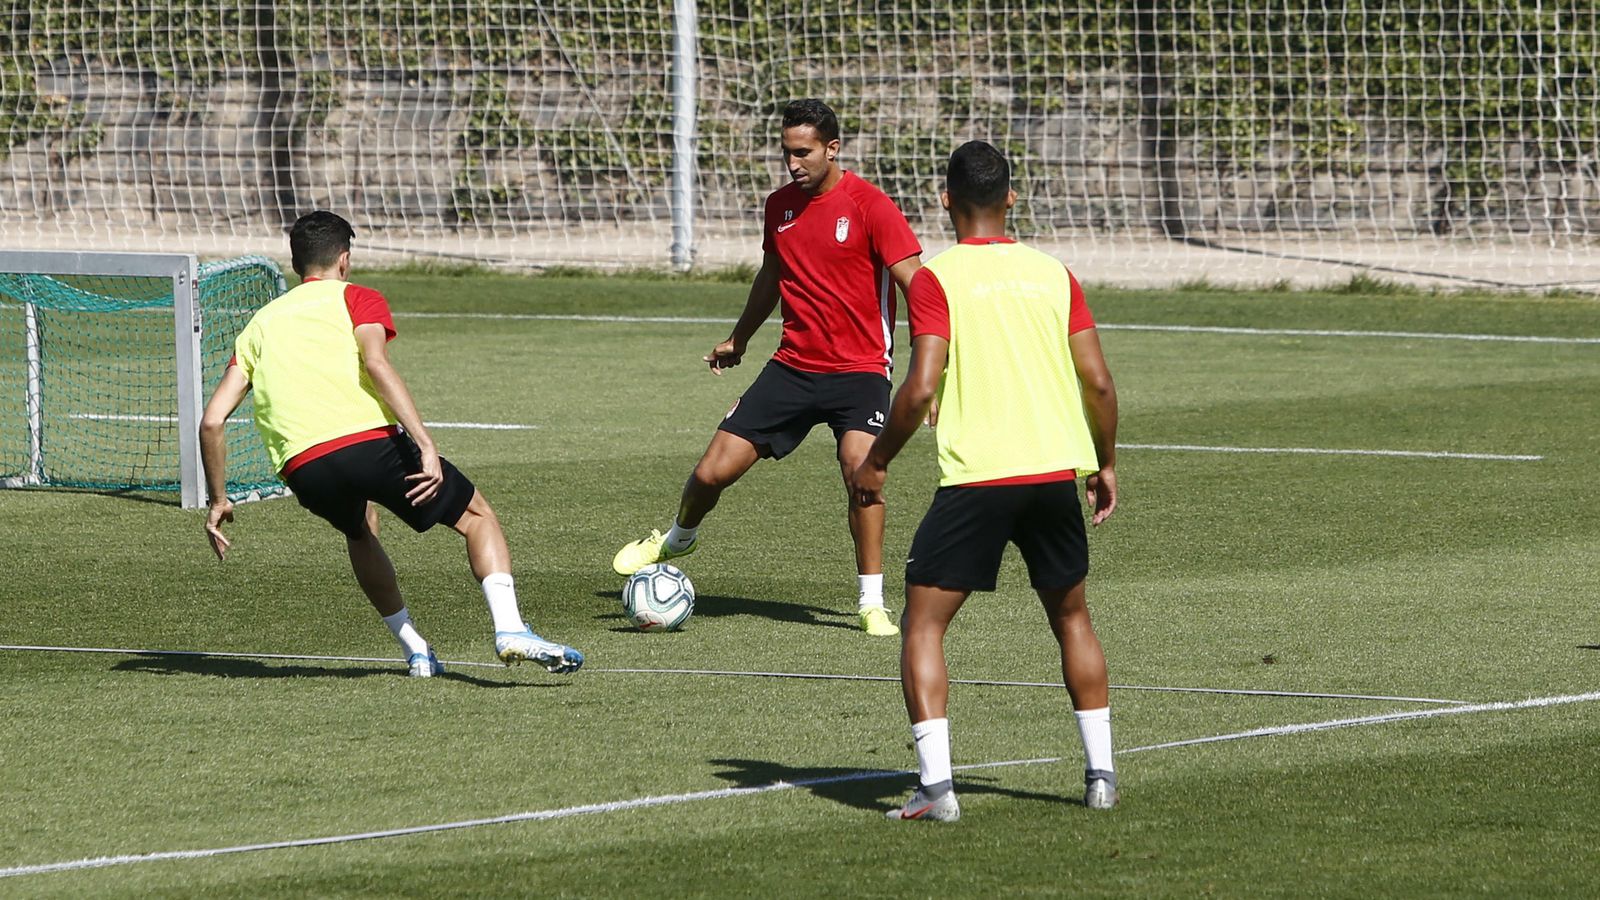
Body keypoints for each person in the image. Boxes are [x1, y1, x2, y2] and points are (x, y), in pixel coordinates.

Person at [851, 141, 1121, 820]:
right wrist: (1104, 461)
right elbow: (1098, 381)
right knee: (1071, 618)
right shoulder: (1053, 273)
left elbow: (917, 389)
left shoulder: (938, 279)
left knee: (922, 624)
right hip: (1055, 472)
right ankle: (1101, 778)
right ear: (1012, 199)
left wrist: (877, 461)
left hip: (979, 481)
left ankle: (938, 789)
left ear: (945, 200)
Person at [199, 211, 584, 678]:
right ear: (344, 260)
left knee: (360, 530)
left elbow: (212, 422)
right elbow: (377, 364)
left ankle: (416, 651)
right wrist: (424, 443)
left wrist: (219, 500)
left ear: (298, 265)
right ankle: (510, 629)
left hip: (302, 467)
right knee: (478, 515)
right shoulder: (357, 298)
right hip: (368, 443)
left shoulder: (258, 325)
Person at [612, 98, 923, 636]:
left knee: (862, 475)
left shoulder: (872, 206)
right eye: (786, 153)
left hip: (861, 371)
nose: (793, 164)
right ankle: (678, 537)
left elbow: (917, 283)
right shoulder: (779, 206)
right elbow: (771, 276)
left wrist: (933, 365)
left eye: (803, 153)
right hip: (793, 368)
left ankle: (871, 602)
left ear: (833, 148)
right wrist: (739, 338)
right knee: (711, 474)